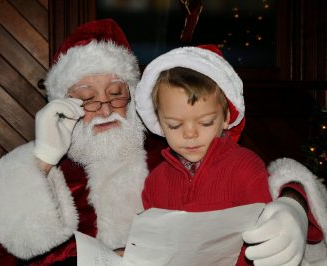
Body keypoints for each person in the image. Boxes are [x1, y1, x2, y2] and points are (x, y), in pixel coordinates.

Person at [0, 19, 327, 266]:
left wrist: (292, 205)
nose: (106, 108)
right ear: (62, 104)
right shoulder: (48, 170)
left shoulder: (168, 149)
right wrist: (42, 159)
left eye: (116, 93)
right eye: (87, 97)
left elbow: (260, 172)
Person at [135, 45, 327, 266]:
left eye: (205, 122)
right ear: (159, 123)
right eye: (175, 125)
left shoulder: (245, 168)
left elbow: (267, 241)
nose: (190, 134)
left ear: (226, 117)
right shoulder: (155, 182)